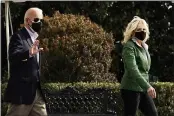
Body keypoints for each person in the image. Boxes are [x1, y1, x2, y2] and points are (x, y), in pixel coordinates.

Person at [4, 7, 48, 116]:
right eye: (38, 20)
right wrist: (28, 53)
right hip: (22, 93)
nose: (40, 23)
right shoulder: (18, 37)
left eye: (41, 20)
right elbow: (13, 57)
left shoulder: (35, 38)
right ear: (28, 21)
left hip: (36, 92)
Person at [120, 16, 158, 116]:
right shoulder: (129, 46)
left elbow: (145, 70)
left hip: (142, 88)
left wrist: (146, 85)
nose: (142, 32)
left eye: (144, 29)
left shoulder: (144, 47)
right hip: (130, 88)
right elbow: (133, 69)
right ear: (133, 32)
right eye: (139, 30)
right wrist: (148, 86)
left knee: (153, 114)